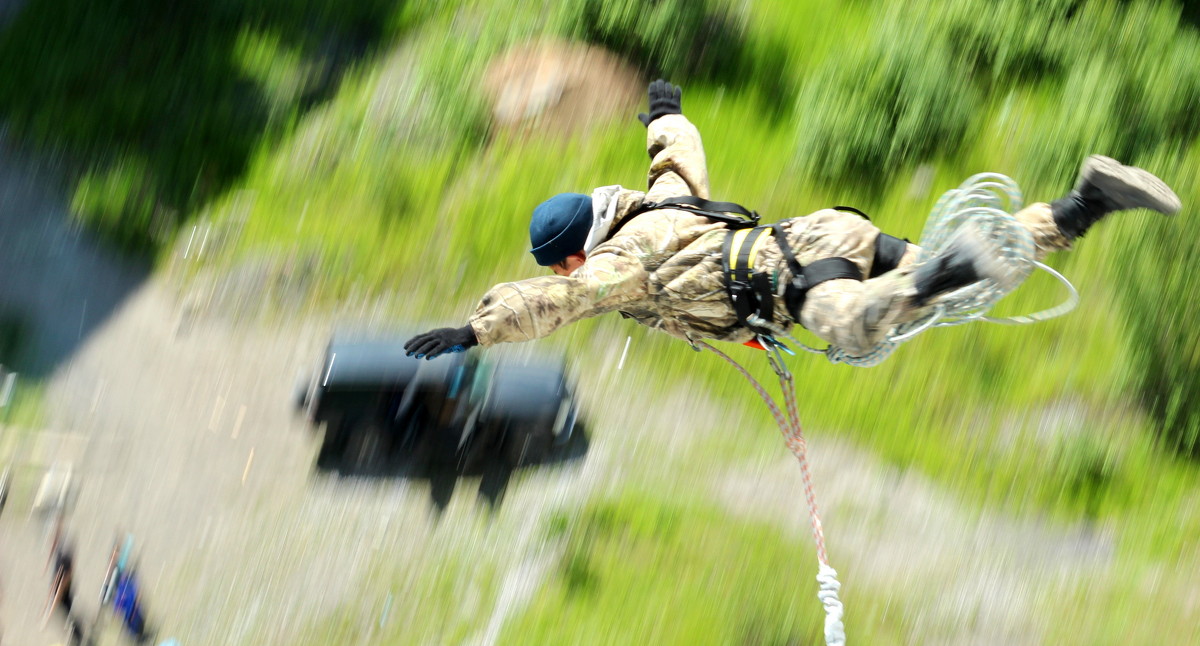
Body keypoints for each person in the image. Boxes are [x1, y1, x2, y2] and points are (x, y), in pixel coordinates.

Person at [405, 80, 1181, 362]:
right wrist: (665, 111)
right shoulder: (663, 205)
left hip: (798, 279)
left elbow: (557, 305)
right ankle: (1084, 203)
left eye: (564, 265)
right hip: (820, 235)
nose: (570, 279)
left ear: (578, 252)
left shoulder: (621, 259)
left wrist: (476, 330)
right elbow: (675, 153)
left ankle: (943, 270)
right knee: (967, 286)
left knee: (859, 327)